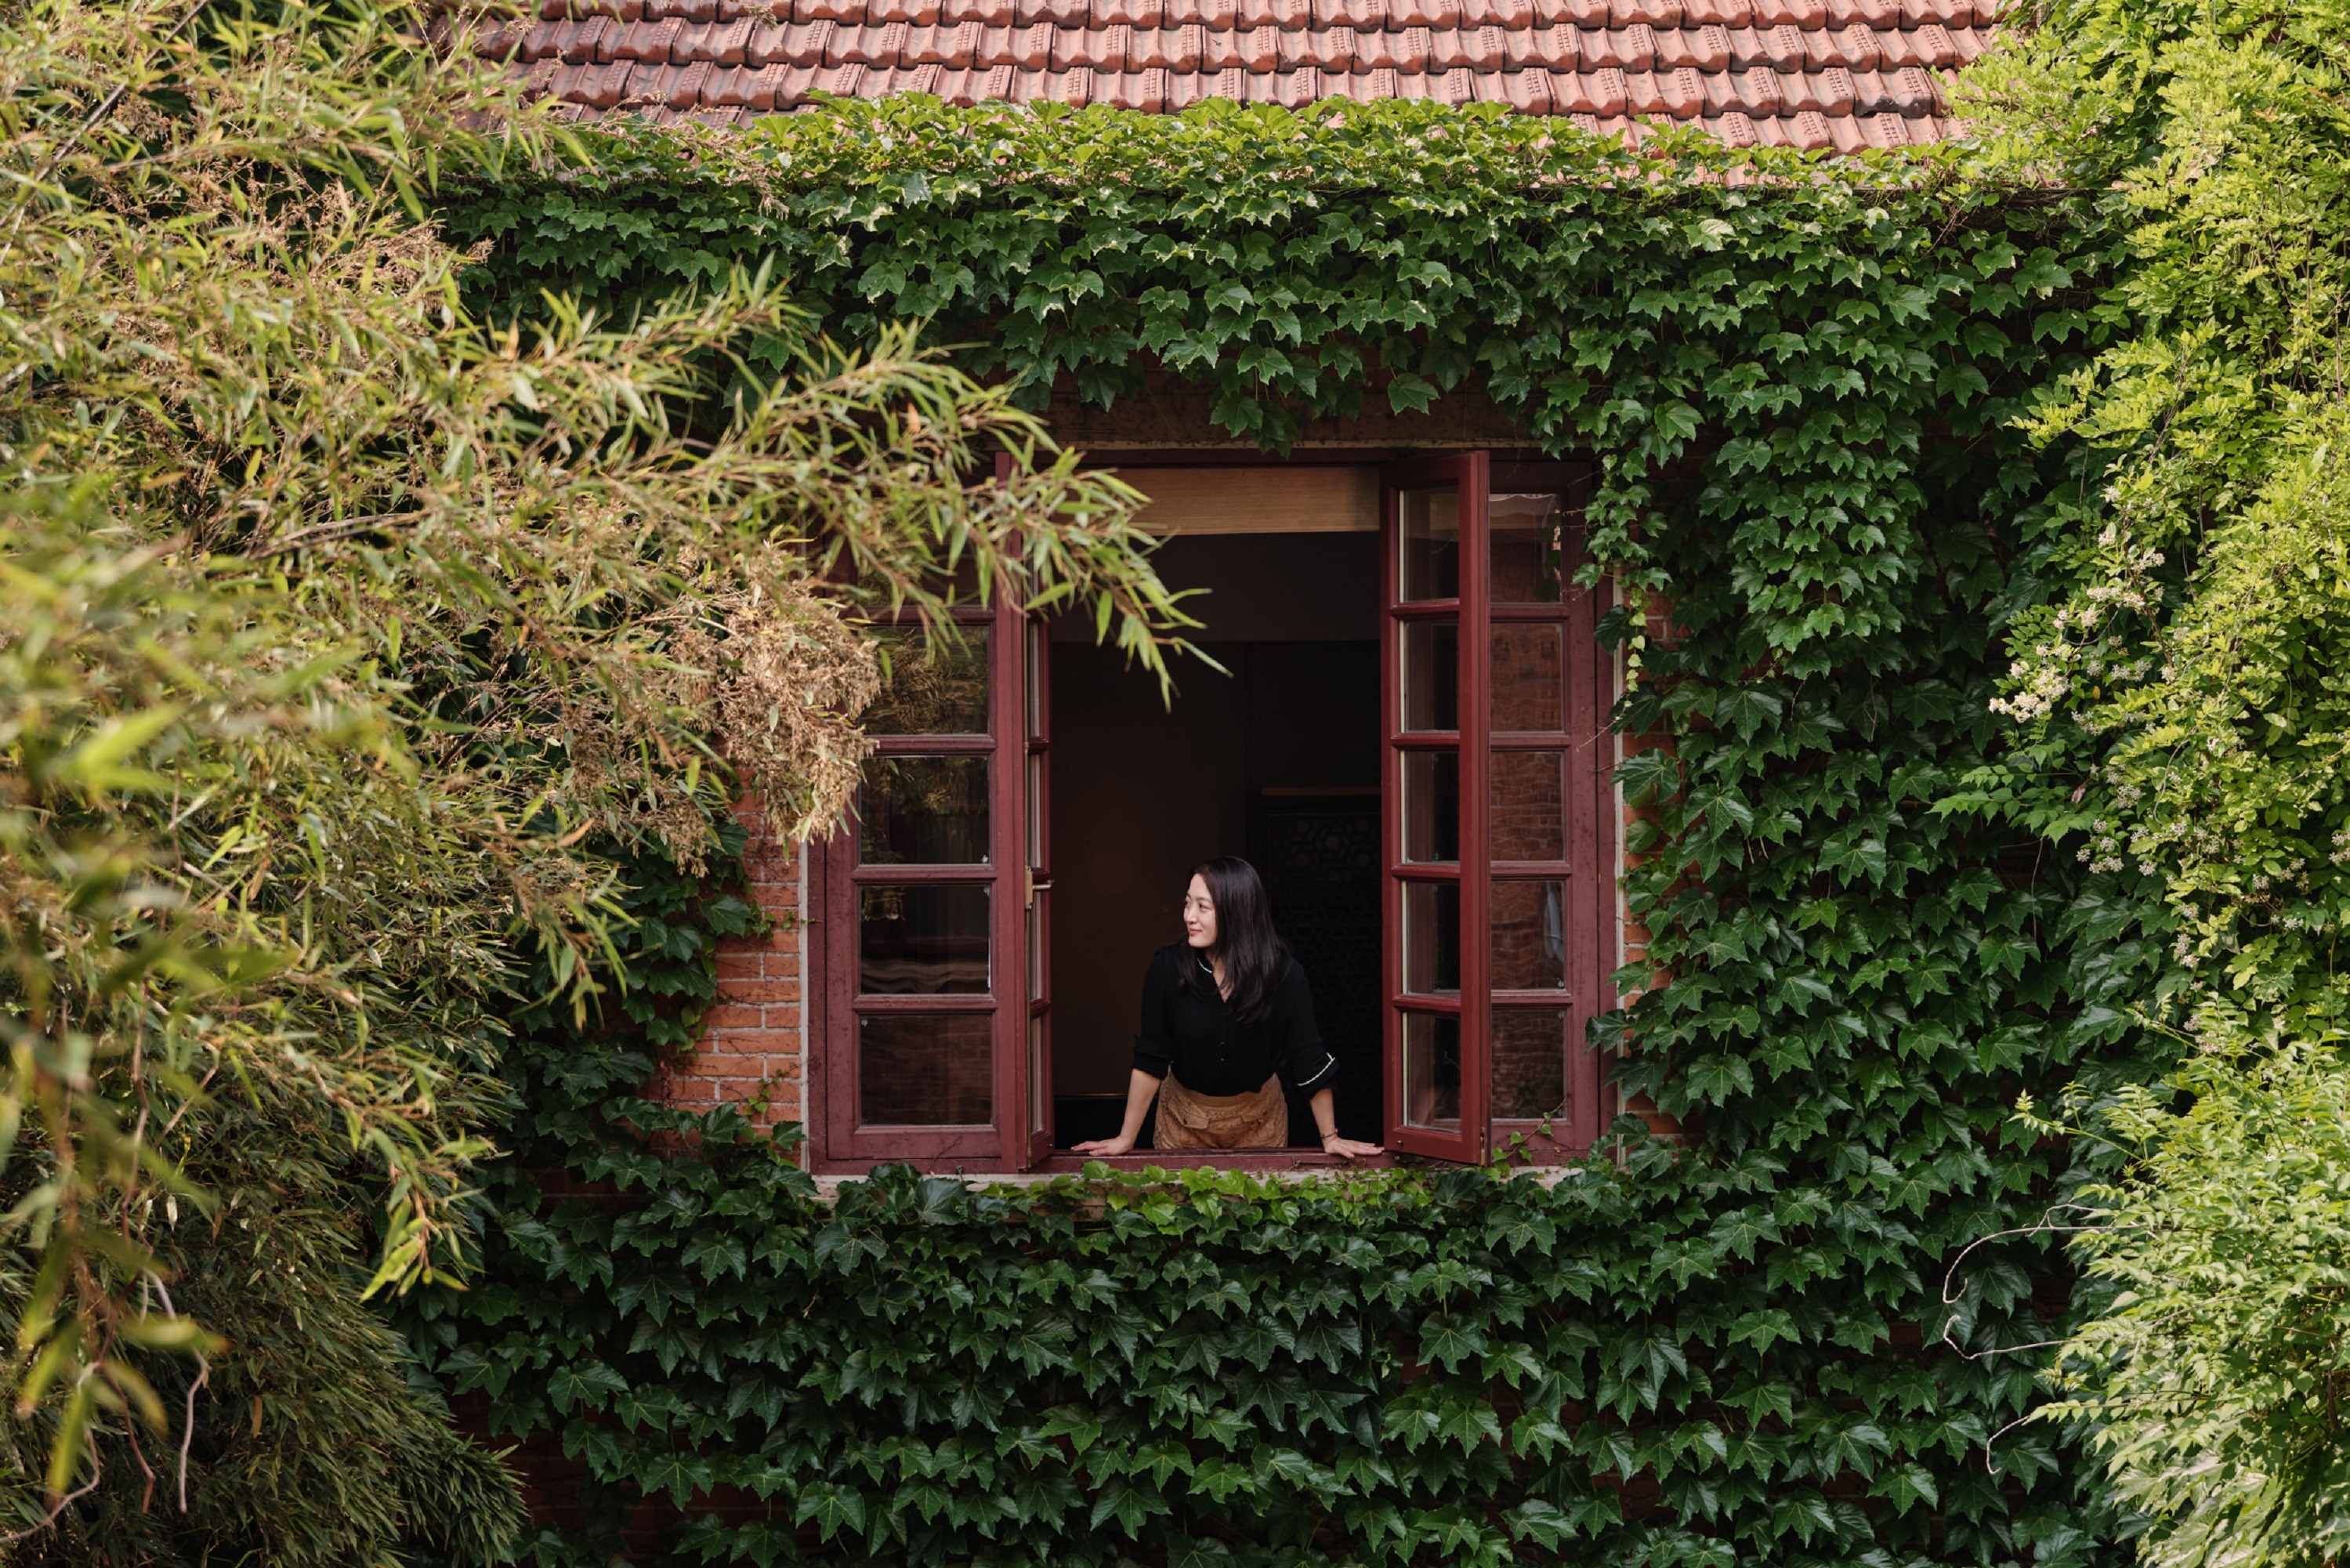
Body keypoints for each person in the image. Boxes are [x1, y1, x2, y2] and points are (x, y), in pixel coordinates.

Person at [1074, 856, 1385, 1161]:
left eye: (1202, 907)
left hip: (1260, 1120)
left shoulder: (1284, 974)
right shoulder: (1167, 967)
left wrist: (1330, 1138)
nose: (1189, 916)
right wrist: (1125, 1139)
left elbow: (1308, 1058)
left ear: (1237, 912)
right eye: (1187, 903)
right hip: (1182, 1120)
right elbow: (1151, 1057)